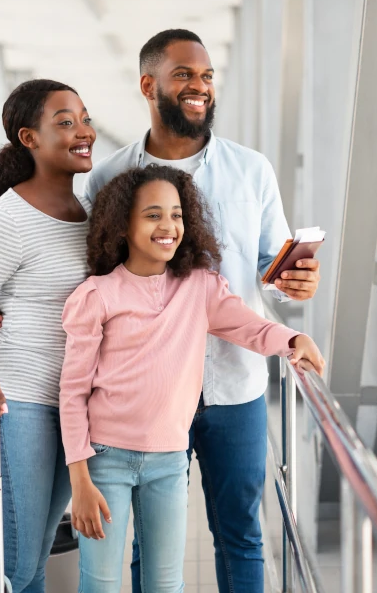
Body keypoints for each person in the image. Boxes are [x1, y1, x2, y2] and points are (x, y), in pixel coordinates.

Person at [0, 29, 322, 593]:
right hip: (136, 402)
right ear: (149, 85)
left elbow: (270, 277)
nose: (200, 87)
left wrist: (294, 291)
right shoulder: (109, 177)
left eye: (207, 76)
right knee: (142, 548)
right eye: (185, 75)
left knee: (241, 532)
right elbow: (72, 259)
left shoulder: (253, 170)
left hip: (233, 387)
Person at [58, 164, 325, 593]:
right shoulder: (97, 295)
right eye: (152, 215)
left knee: (166, 583)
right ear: (122, 224)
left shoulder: (200, 287)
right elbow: (72, 392)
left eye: (177, 214)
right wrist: (79, 480)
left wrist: (294, 339)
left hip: (167, 460)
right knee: (101, 582)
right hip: (105, 459)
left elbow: (250, 327)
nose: (168, 226)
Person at [0, 79, 96, 593]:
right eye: (65, 122)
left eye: (84, 118)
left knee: (31, 563)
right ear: (29, 138)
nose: (83, 132)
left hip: (69, 406)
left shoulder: (91, 216)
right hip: (12, 403)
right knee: (11, 566)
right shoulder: (6, 219)